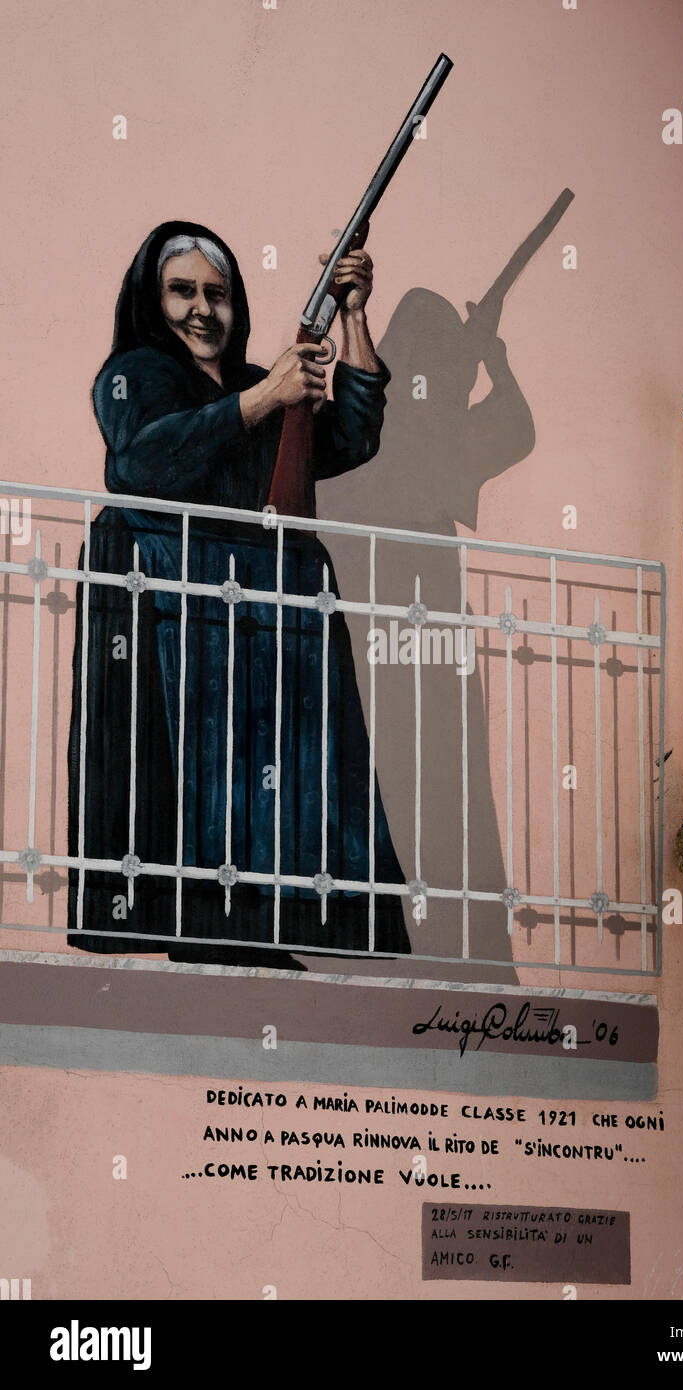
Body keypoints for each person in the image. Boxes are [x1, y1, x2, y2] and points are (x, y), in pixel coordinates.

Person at [66, 219, 410, 968]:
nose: (201, 308)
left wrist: (352, 315)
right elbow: (142, 459)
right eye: (182, 290)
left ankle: (261, 929)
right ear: (152, 300)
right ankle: (193, 926)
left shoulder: (264, 381)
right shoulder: (131, 374)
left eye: (216, 293)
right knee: (187, 771)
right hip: (164, 599)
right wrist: (266, 400)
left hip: (260, 608)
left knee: (270, 771)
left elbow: (351, 438)